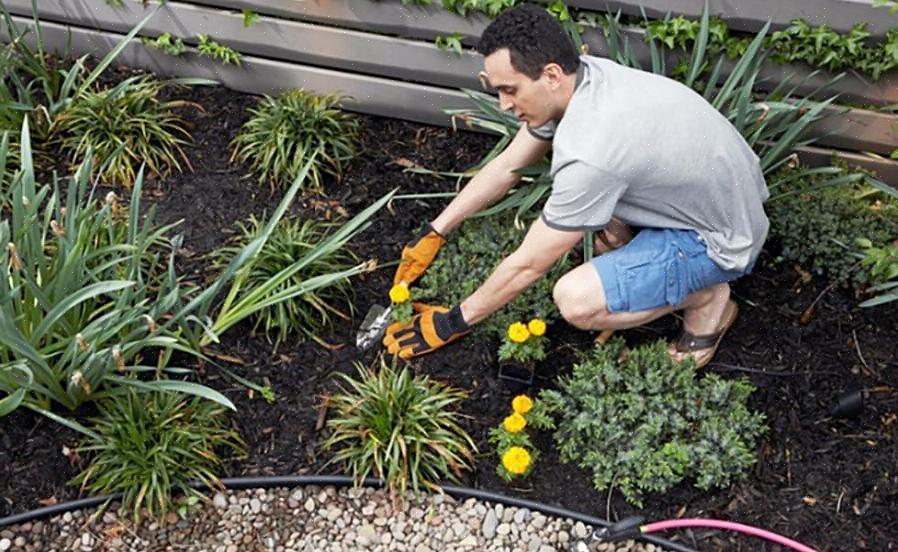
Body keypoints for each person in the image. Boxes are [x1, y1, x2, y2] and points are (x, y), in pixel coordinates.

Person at [382, 4, 769, 368]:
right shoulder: (582, 78)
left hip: (719, 241)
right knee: (599, 225)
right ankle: (667, 271)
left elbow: (528, 266)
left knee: (576, 301)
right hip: (716, 200)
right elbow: (508, 166)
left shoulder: (592, 150)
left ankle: (709, 301)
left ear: (549, 75)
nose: (502, 104)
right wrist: (436, 230)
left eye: (509, 90)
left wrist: (453, 322)